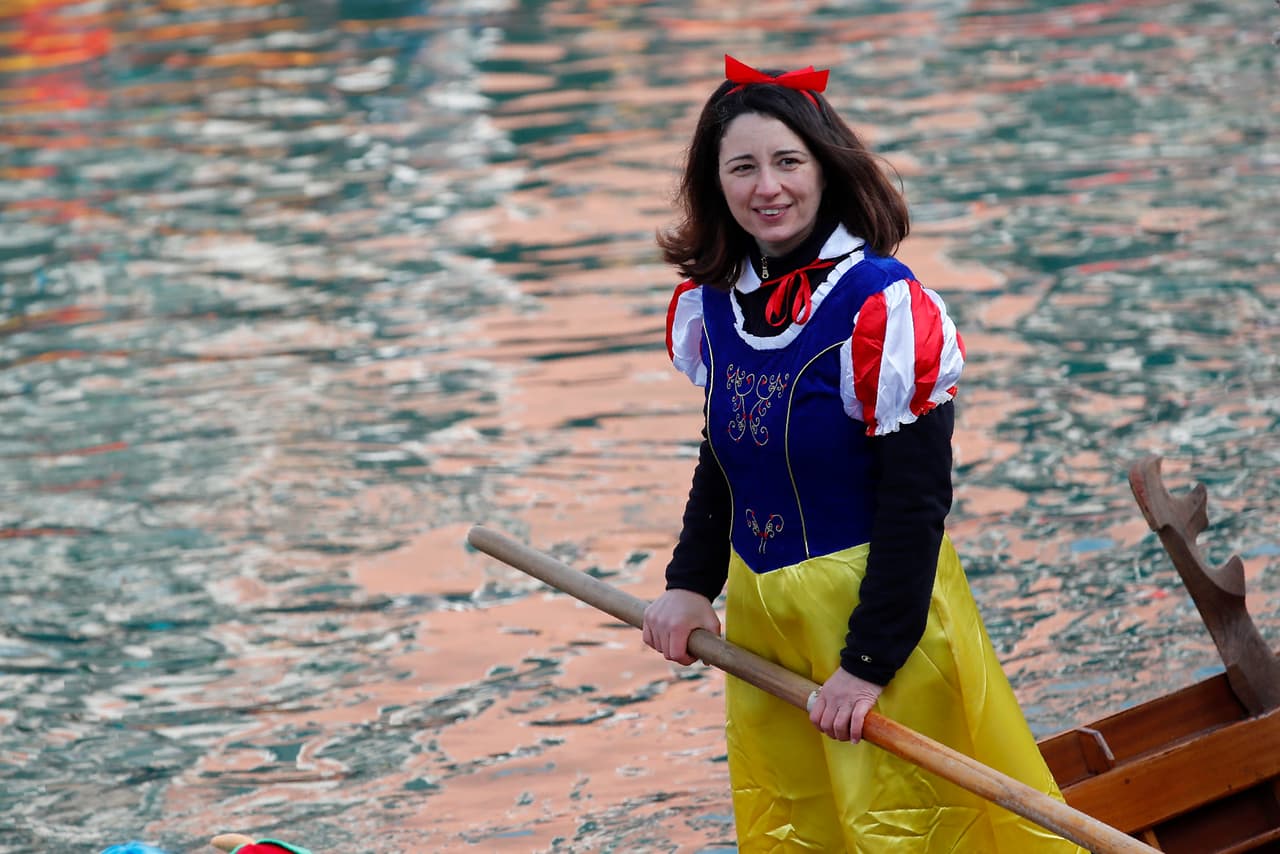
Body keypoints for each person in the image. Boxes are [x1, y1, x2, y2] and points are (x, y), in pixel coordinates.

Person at [640, 55, 1084, 853]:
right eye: (742, 167)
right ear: (716, 183)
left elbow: (916, 505)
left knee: (917, 833)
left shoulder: (883, 307)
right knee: (798, 824)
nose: (767, 187)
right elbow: (725, 459)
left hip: (881, 627)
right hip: (765, 622)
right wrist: (687, 585)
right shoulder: (715, 303)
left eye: (788, 162)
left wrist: (868, 663)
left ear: (826, 169)